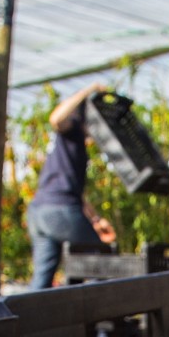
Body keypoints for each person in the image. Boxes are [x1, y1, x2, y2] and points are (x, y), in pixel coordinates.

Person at [27, 82, 117, 289]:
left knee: (42, 277)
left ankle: (27, 319)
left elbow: (76, 193)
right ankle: (99, 315)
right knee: (101, 260)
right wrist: (89, 89)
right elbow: (56, 119)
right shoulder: (72, 130)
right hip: (59, 211)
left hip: (38, 213)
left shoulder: (72, 147)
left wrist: (95, 219)